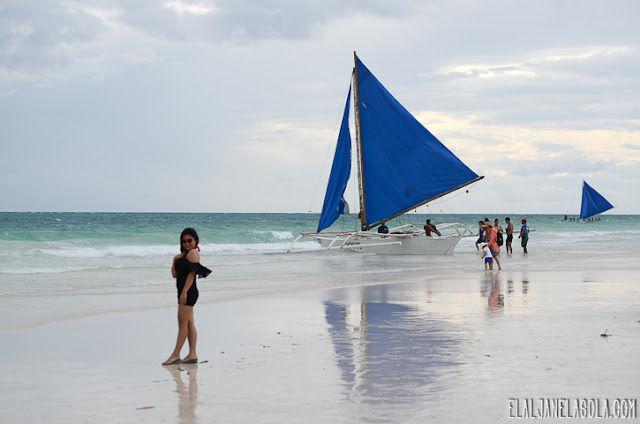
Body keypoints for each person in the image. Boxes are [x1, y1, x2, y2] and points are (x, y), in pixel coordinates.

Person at [163, 228, 212, 366]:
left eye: (189, 240)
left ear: (195, 240)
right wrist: (174, 260)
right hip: (184, 291)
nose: (187, 243)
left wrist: (184, 292)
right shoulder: (184, 255)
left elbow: (192, 274)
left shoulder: (193, 253)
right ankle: (192, 354)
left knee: (182, 324)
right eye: (184, 241)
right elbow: (174, 275)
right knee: (189, 323)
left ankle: (175, 355)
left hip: (188, 292)